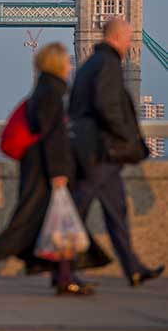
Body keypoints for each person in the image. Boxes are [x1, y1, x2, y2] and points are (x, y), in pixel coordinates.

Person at [0, 42, 110, 296]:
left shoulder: (45, 89)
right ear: (57, 64)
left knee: (59, 224)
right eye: (68, 62)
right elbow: (52, 135)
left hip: (40, 163)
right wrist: (58, 172)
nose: (71, 66)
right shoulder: (51, 92)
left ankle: (64, 278)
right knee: (29, 222)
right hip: (46, 167)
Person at [69, 18, 164, 287]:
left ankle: (133, 268)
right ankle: (62, 272)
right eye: (130, 38)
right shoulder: (108, 65)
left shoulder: (89, 65)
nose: (132, 43)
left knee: (117, 212)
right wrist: (125, 137)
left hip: (96, 154)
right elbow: (107, 106)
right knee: (74, 214)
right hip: (100, 154)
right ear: (119, 37)